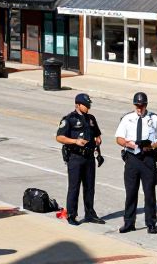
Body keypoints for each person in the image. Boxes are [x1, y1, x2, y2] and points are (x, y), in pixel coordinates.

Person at [115, 91, 157, 234]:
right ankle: (129, 222)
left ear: (146, 105)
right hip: (132, 158)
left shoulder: (155, 119)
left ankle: (151, 223)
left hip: (148, 159)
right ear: (134, 104)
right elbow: (119, 138)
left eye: (142, 105)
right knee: (131, 192)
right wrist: (127, 144)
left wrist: (152, 146)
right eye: (137, 105)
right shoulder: (127, 118)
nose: (140, 108)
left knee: (149, 193)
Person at [55, 92, 104, 226]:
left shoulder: (91, 119)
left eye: (89, 105)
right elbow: (59, 137)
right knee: (74, 187)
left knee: (89, 187)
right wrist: (75, 141)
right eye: (86, 105)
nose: (88, 107)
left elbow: (97, 135)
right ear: (77, 104)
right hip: (75, 157)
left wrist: (97, 140)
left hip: (89, 157)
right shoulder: (69, 119)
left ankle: (90, 213)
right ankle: (71, 214)